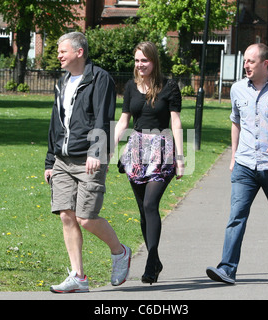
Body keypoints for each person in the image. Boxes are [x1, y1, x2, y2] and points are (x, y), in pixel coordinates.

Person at [206, 43, 268, 285]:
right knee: (236, 217)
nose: (246, 65)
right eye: (245, 61)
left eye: (251, 61)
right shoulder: (238, 89)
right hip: (245, 165)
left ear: (265, 63)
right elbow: (236, 123)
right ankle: (227, 269)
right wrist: (233, 157)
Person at [44, 32, 131, 293]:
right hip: (62, 159)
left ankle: (120, 252)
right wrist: (50, 159)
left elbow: (103, 117)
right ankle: (78, 276)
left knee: (85, 217)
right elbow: (55, 123)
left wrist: (96, 151)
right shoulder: (62, 82)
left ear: (79, 52)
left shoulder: (99, 78)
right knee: (66, 216)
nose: (58, 55)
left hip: (88, 158)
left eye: (63, 51)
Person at [114, 41, 184, 284]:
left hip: (162, 150)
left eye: (144, 60)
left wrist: (181, 158)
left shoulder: (169, 87)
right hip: (137, 151)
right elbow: (124, 121)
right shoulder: (131, 87)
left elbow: (175, 122)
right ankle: (156, 261)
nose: (140, 65)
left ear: (154, 61)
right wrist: (110, 145)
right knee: (143, 209)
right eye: (136, 60)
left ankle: (151, 260)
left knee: (151, 204)